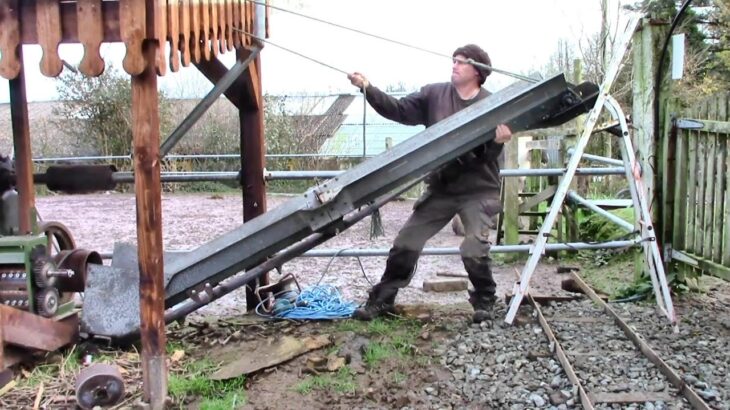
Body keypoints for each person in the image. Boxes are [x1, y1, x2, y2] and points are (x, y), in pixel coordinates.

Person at [347, 44, 513, 324]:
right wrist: (368, 88)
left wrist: (497, 143)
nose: (454, 65)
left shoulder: (493, 105)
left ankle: (485, 301)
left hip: (478, 189)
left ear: (477, 71)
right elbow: (398, 110)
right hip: (442, 188)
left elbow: (484, 160)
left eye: (461, 62)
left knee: (473, 247)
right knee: (405, 243)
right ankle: (382, 300)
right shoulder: (433, 95)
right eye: (454, 60)